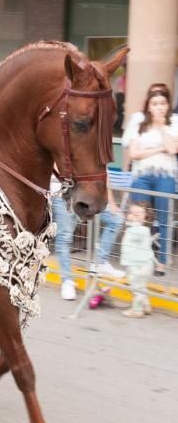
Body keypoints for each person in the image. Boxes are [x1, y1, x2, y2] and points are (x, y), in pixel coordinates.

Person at [122, 83, 178, 275]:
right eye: (155, 103)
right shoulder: (138, 121)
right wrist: (159, 148)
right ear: (148, 105)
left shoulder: (175, 122)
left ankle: (162, 262)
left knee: (164, 219)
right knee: (138, 217)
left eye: (162, 103)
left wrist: (162, 127)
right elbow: (135, 154)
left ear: (168, 104)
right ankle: (135, 258)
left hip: (166, 176)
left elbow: (172, 149)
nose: (159, 107)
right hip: (142, 176)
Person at [52, 176, 124, 301]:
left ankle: (100, 262)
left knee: (116, 219)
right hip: (64, 194)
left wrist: (111, 202)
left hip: (88, 195)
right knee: (64, 238)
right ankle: (67, 280)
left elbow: (104, 172)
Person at [120, 203, 155, 318]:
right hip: (138, 264)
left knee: (136, 287)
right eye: (130, 213)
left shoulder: (141, 230)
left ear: (145, 218)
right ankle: (146, 305)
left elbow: (136, 232)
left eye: (137, 214)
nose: (132, 216)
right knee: (140, 286)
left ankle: (137, 310)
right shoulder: (135, 229)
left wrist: (133, 222)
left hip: (139, 265)